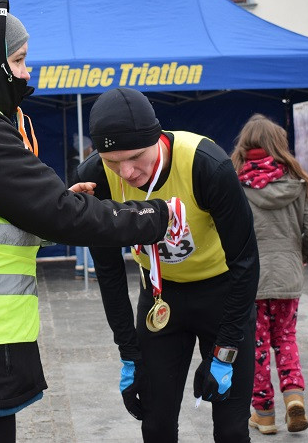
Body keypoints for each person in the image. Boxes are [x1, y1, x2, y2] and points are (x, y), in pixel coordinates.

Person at [0, 0, 178, 443]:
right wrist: (155, 215)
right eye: (18, 60)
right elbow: (61, 215)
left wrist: (50, 209)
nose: (27, 73)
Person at [75, 87, 260, 443]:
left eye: (136, 157)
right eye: (113, 161)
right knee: (156, 425)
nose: (126, 172)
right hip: (161, 298)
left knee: (232, 429)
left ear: (157, 139)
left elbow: (246, 262)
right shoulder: (94, 175)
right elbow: (110, 274)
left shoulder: (206, 164)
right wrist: (128, 351)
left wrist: (225, 350)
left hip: (223, 295)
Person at [230, 114, 308, 434]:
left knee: (255, 346)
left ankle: (264, 413)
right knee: (285, 338)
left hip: (249, 280)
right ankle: (294, 397)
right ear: (279, 145)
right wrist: (304, 254)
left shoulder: (234, 183)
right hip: (287, 276)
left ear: (245, 145)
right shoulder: (298, 182)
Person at [67, 135, 95, 278]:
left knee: (80, 235)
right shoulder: (83, 165)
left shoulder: (71, 162)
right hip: (82, 201)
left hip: (74, 201)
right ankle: (90, 267)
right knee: (89, 234)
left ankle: (80, 266)